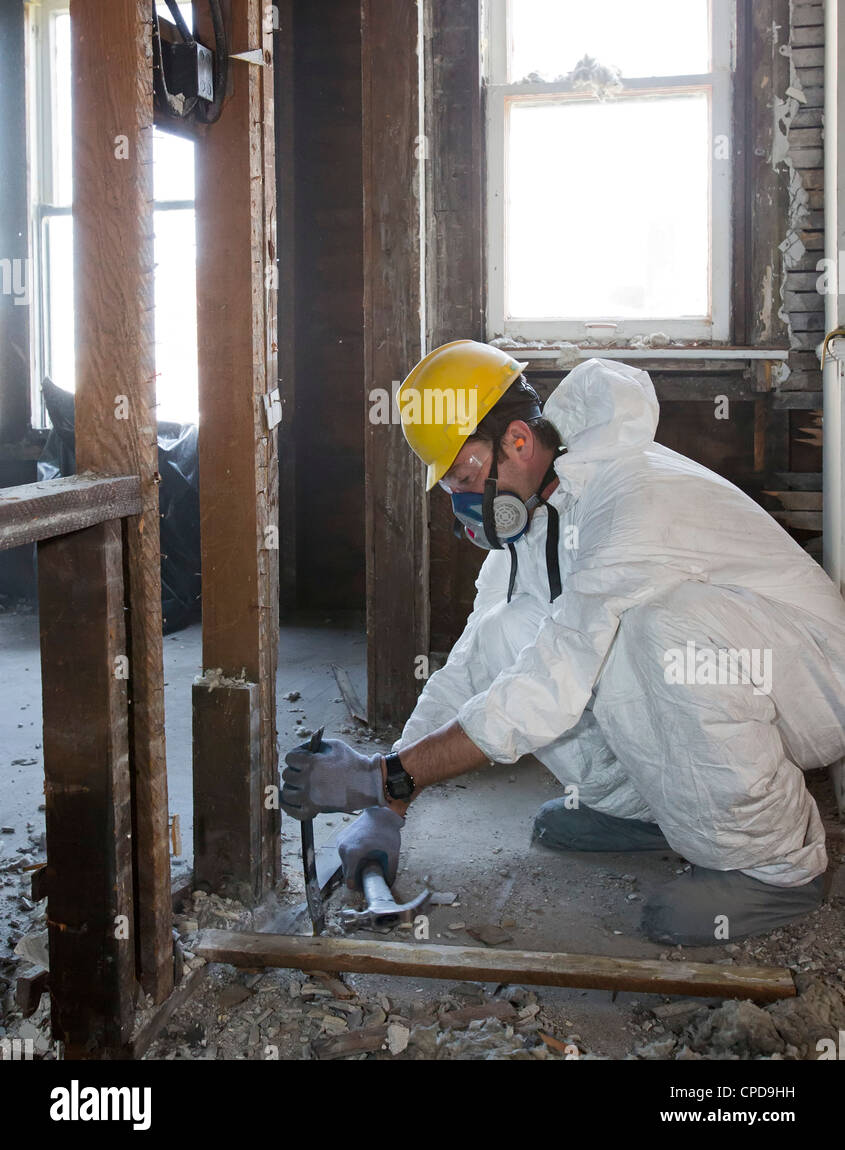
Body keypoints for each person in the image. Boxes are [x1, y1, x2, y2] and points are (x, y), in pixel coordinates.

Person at [281, 341, 845, 945]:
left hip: (807, 678)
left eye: (468, 476)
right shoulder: (536, 511)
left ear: (518, 441)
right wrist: (388, 799)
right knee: (510, 631)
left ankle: (775, 867)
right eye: (451, 487)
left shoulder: (630, 495)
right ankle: (645, 811)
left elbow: (556, 680)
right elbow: (475, 661)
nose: (465, 500)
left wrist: (384, 774)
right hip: (736, 668)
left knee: (654, 631)